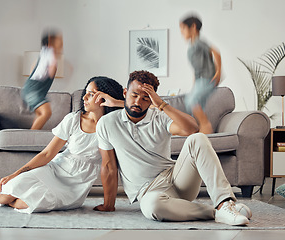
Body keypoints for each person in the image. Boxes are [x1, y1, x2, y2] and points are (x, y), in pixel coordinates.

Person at [94, 70, 252, 226]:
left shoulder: (159, 117)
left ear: (152, 100)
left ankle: (224, 202)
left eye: (145, 98)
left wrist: (162, 104)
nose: (137, 102)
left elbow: (192, 129)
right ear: (125, 93)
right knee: (152, 207)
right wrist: (109, 205)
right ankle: (217, 212)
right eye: (134, 95)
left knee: (198, 139)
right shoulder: (107, 123)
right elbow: (108, 166)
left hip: (177, 180)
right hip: (148, 191)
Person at [0, 76, 124, 214]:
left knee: (25, 203)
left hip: (76, 185)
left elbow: (109, 166)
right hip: (56, 169)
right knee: (10, 191)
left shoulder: (112, 125)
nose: (85, 97)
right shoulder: (73, 119)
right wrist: (15, 174)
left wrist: (109, 205)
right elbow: (47, 154)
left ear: (105, 98)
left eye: (92, 93)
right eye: (85, 92)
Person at [180, 14, 222, 134]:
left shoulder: (199, 42)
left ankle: (205, 125)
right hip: (200, 79)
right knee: (196, 106)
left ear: (193, 27)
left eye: (183, 29)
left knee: (191, 101)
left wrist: (218, 72)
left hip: (208, 78)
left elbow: (216, 53)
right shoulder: (192, 45)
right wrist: (195, 84)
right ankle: (203, 133)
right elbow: (197, 67)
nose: (182, 32)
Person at [21, 30, 63, 130]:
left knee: (40, 114)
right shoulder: (49, 54)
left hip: (29, 89)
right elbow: (51, 72)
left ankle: (33, 136)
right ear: (50, 42)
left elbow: (32, 69)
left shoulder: (43, 54)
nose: (61, 44)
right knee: (46, 112)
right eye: (59, 41)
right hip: (33, 91)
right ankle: (30, 137)